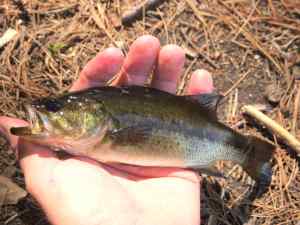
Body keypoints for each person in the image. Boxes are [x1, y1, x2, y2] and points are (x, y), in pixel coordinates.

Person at [0, 35, 214, 225]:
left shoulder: (104, 136)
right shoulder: (92, 142)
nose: (47, 112)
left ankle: (243, 150)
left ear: (96, 114)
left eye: (55, 108)